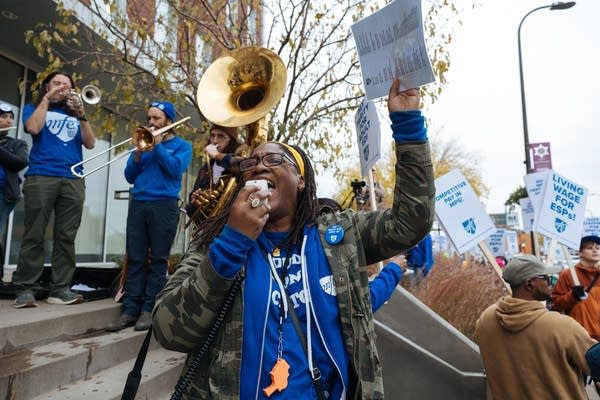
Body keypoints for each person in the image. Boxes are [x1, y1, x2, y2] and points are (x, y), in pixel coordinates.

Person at [152, 78, 434, 399]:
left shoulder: (337, 237)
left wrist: (408, 122)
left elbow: (413, 219)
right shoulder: (216, 243)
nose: (259, 166)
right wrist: (232, 244)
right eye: (250, 163)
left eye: (274, 160)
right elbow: (168, 330)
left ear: (300, 181)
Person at [106, 101, 192, 332]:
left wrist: (158, 146)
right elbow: (129, 176)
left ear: (169, 122)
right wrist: (136, 155)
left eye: (156, 118)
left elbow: (175, 169)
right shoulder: (142, 144)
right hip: (139, 203)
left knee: (158, 259)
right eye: (149, 118)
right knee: (135, 256)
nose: (151, 123)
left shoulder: (183, 146)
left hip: (164, 205)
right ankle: (129, 310)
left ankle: (148, 309)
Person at [13, 71, 95, 308]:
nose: (61, 88)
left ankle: (59, 289)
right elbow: (34, 128)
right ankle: (26, 288)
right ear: (48, 85)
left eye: (66, 86)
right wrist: (47, 99)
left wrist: (82, 115)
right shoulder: (34, 107)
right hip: (42, 175)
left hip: (73, 178)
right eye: (56, 83)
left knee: (66, 236)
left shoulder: (75, 114)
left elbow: (90, 143)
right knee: (34, 234)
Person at [475, 254, 600, 400]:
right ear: (529, 284)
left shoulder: (485, 319)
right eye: (546, 278)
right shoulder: (562, 327)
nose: (551, 282)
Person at [318, 197, 406, 312]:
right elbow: (364, 304)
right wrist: (394, 269)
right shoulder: (329, 261)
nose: (341, 226)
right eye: (337, 219)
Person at [185, 124, 242, 218]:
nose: (215, 141)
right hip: (207, 226)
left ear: (231, 140)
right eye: (212, 135)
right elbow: (191, 201)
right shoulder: (205, 168)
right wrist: (196, 199)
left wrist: (217, 155)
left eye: (221, 136)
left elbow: (242, 165)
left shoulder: (237, 161)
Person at [551, 235, 600, 339]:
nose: (595, 250)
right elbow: (556, 304)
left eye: (598, 248)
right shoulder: (568, 275)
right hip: (581, 337)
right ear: (580, 253)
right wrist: (572, 296)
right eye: (590, 248)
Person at [0, 104, 28, 280]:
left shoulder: (18, 143)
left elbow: (19, 162)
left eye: (10, 116)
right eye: (3, 116)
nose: (8, 120)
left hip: (4, 193)